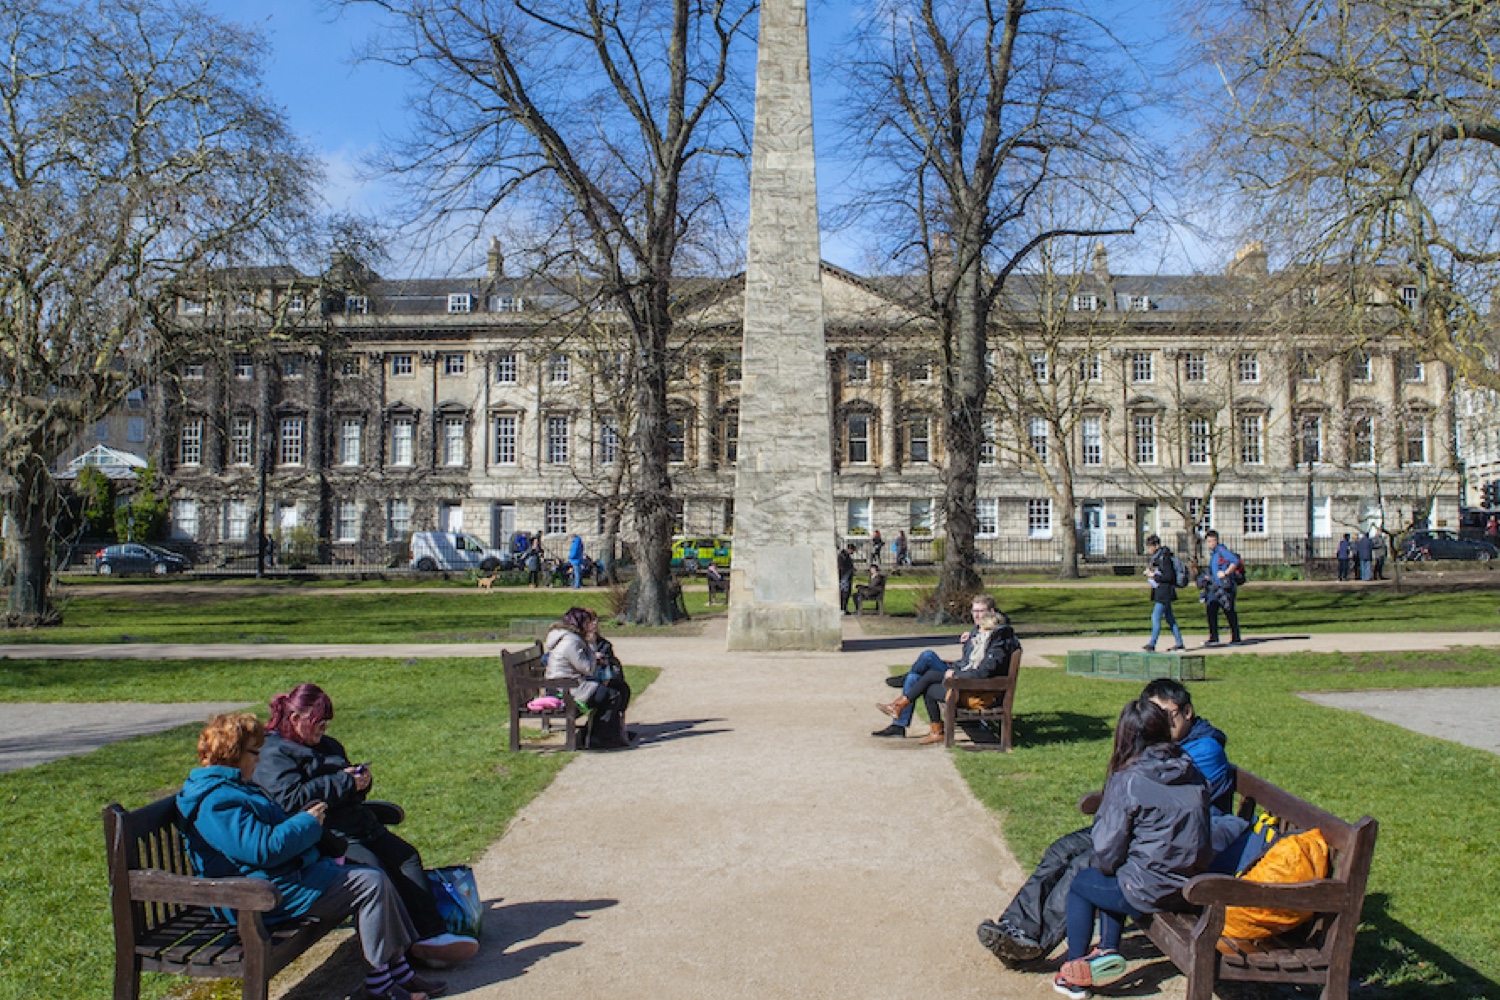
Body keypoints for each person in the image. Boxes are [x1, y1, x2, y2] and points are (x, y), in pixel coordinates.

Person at [179, 713, 447, 1000]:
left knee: (374, 877)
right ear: (233, 754)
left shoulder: (233, 788)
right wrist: (307, 822)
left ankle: (398, 972)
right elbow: (263, 849)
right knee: (369, 884)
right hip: (256, 897)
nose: (258, 760)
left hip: (278, 880)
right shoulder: (217, 802)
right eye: (254, 752)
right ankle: (381, 986)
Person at [977, 679, 1240, 967]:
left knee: (1085, 864)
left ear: (1186, 712)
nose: (1157, 722)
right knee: (1062, 849)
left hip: (1173, 841)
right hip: (1145, 829)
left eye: (1164, 715)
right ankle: (1017, 925)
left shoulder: (1203, 751)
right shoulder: (1167, 747)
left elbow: (1165, 799)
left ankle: (1034, 943)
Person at [255, 685, 479, 969]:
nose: (323, 730)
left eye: (325, 725)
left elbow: (343, 784)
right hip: (326, 836)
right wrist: (345, 782)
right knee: (376, 873)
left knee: (405, 857)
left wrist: (361, 781)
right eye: (318, 724)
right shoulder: (274, 753)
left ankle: (430, 936)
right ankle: (397, 955)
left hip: (359, 824)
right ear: (295, 717)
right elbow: (291, 799)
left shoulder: (327, 745)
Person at [1049, 698, 1213, 999]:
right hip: (1192, 887)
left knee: (1084, 882)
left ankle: (1075, 970)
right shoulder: (1192, 771)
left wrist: (1114, 862)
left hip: (1151, 890)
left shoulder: (1129, 779)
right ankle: (1107, 949)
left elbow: (1106, 848)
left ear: (1126, 735)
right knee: (1118, 875)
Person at [873, 594, 1020, 743]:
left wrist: (956, 673)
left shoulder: (996, 636)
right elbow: (968, 660)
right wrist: (969, 642)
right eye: (974, 611)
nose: (977, 615)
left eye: (981, 611)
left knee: (927, 661)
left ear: (992, 612)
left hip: (973, 685)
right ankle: (905, 715)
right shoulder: (980, 631)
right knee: (916, 678)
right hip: (966, 676)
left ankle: (902, 707)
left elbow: (983, 668)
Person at [545, 606, 632, 750]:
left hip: (569, 684)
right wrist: (592, 646)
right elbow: (588, 669)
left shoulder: (570, 638)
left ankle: (610, 733)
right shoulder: (570, 642)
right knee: (611, 695)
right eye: (586, 622)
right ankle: (595, 738)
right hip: (564, 690)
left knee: (619, 689)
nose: (589, 626)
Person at [1198, 529, 1243, 646]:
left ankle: (1236, 638)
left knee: (1229, 611)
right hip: (1214, 587)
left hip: (1225, 587)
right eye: (1207, 541)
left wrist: (1226, 572)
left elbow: (1235, 561)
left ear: (1216, 540)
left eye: (1211, 541)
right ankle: (1214, 637)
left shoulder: (1222, 551)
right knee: (1211, 610)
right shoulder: (1214, 554)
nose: (1209, 544)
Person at [1141, 534, 1185, 653]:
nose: (1149, 549)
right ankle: (1179, 643)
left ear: (1157, 545)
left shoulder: (1164, 557)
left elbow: (1168, 576)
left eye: (1150, 546)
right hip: (1160, 591)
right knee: (1170, 619)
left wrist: (1154, 575)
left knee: (1155, 616)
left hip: (1164, 592)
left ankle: (1152, 643)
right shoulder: (1158, 557)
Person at [837, 543, 856, 614]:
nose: (852, 553)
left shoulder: (846, 556)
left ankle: (845, 608)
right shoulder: (842, 556)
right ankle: (842, 608)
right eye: (852, 551)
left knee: (847, 593)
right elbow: (841, 567)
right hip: (844, 576)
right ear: (849, 549)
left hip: (848, 576)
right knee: (844, 592)